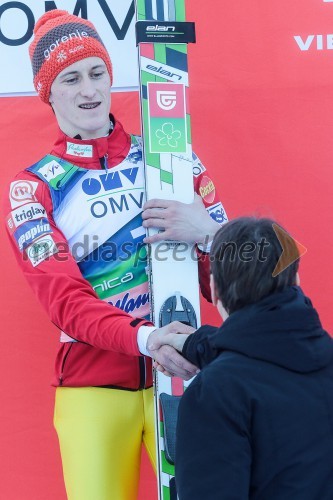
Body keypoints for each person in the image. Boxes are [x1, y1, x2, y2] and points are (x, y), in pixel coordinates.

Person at [3, 9, 226, 500]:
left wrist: (209, 233)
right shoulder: (32, 189)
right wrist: (147, 339)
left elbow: (237, 281)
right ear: (48, 92)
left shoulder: (172, 159)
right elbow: (65, 301)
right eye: (71, 78)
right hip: (93, 386)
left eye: (97, 72)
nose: (88, 90)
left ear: (111, 75)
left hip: (185, 374)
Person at [149, 217, 333, 499]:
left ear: (216, 290)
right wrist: (196, 343)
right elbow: (271, 351)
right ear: (295, 280)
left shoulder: (215, 394)